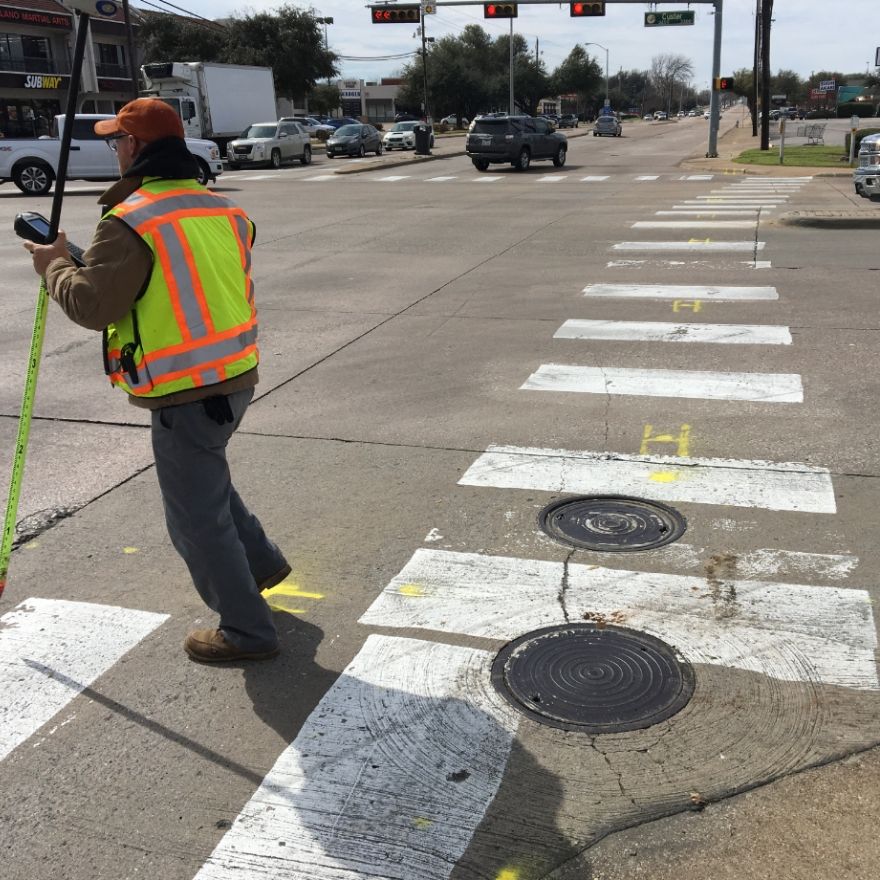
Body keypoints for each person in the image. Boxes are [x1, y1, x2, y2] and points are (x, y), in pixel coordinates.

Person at [24, 98, 288, 663]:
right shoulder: (219, 208)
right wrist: (79, 258)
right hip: (234, 375)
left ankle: (248, 632)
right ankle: (263, 565)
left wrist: (53, 267)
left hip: (186, 389)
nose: (113, 149)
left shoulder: (132, 219)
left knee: (195, 516)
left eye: (117, 140)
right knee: (206, 482)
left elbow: (93, 305)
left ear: (137, 148)